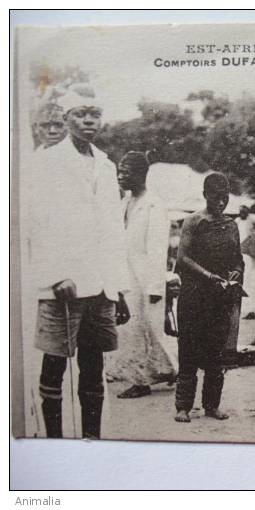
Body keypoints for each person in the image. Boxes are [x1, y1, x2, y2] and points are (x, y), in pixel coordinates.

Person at [29, 85, 130, 439]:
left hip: (100, 283)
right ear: (67, 118)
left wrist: (118, 287)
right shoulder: (47, 161)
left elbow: (113, 229)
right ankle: (55, 443)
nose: (89, 120)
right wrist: (56, 275)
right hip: (64, 282)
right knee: (55, 364)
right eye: (81, 113)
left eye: (95, 114)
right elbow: (36, 222)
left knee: (93, 366)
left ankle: (92, 441)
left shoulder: (105, 164)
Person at [174, 173, 244, 423]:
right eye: (216, 197)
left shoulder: (231, 225)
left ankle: (211, 405)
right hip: (194, 296)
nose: (221, 203)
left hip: (219, 298)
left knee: (216, 355)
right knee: (188, 352)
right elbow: (182, 258)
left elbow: (238, 257)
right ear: (205, 195)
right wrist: (208, 275)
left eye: (225, 198)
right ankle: (183, 407)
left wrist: (235, 271)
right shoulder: (193, 221)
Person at [105, 151, 176, 398]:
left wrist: (156, 287)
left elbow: (157, 249)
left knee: (149, 330)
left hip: (146, 279)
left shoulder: (154, 205)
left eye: (125, 172)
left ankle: (146, 379)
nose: (120, 177)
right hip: (126, 277)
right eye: (119, 172)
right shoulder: (125, 202)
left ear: (140, 174)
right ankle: (162, 372)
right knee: (133, 330)